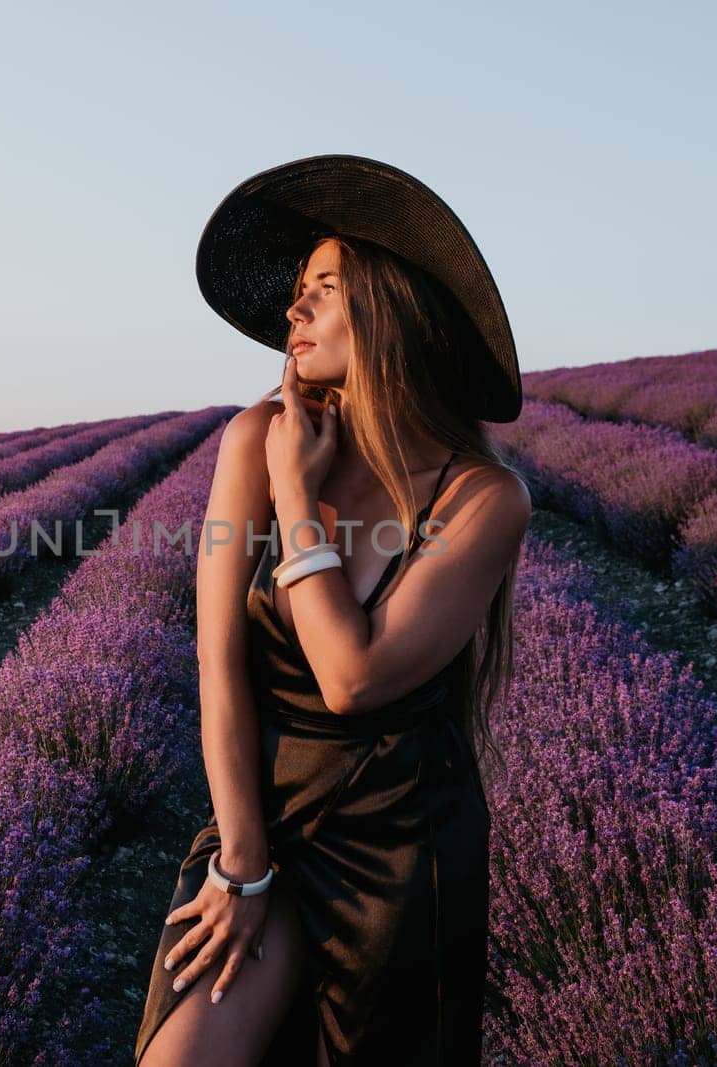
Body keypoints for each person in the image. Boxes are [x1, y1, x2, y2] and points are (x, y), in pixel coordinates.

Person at [135, 155, 531, 1066]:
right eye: (297, 292)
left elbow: (351, 677)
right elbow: (218, 663)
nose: (291, 311)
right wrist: (240, 860)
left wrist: (295, 489)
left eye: (321, 288)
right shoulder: (251, 437)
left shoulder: (483, 498)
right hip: (261, 822)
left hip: (401, 851)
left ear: (391, 308)